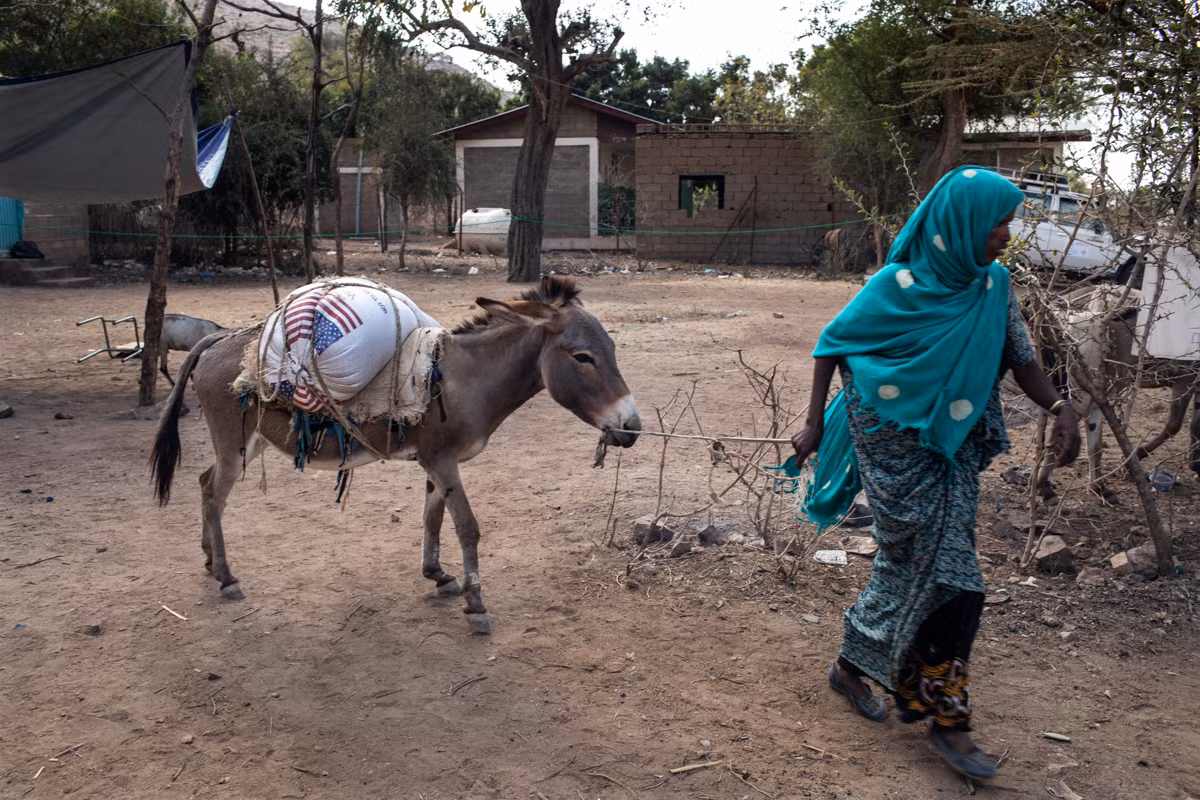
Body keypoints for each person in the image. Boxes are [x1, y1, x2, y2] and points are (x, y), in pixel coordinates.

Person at [790, 166, 1081, 780]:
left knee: (912, 565)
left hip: (954, 446)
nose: (1005, 234)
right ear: (961, 224)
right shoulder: (896, 284)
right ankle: (949, 717)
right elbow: (831, 343)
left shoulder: (992, 288)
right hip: (892, 449)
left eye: (1008, 223)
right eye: (997, 223)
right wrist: (814, 424)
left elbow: (1022, 362)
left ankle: (851, 663)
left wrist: (1061, 406)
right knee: (955, 578)